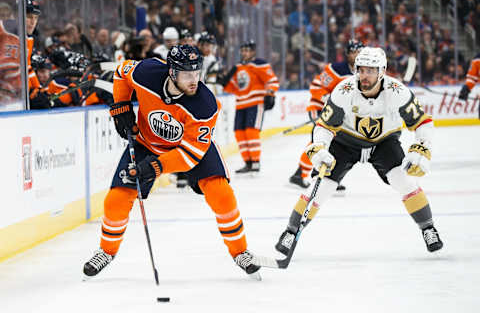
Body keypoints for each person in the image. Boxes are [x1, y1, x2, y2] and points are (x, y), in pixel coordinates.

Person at [83, 44, 261, 279]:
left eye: (197, 73)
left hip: (191, 149)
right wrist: (121, 105)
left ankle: (240, 253)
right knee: (116, 200)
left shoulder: (205, 105)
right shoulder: (147, 72)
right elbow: (121, 73)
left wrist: (156, 167)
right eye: (188, 74)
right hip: (147, 143)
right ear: (172, 72)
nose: (194, 80)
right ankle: (106, 252)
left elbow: (190, 155)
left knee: (222, 195)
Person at [275, 47, 443, 257]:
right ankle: (291, 232)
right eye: (361, 70)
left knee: (405, 182)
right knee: (320, 189)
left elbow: (423, 122)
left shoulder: (398, 91)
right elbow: (324, 126)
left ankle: (428, 229)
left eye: (371, 70)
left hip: (384, 143)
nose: (365, 75)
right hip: (346, 143)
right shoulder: (343, 90)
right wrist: (319, 147)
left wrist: (422, 147)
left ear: (381, 71)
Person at [289, 39, 364, 190]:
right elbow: (316, 87)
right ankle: (300, 174)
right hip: (321, 107)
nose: (357, 55)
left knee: (336, 144)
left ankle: (326, 177)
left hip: (339, 113)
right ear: (347, 54)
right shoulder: (335, 69)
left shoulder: (364, 72)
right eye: (354, 52)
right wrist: (329, 100)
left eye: (359, 52)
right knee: (319, 141)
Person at [219, 40, 279, 173]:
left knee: (251, 131)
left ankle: (255, 162)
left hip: (255, 102)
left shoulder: (259, 64)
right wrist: (224, 83)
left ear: (253, 52)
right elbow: (235, 88)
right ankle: (248, 162)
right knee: (239, 133)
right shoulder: (238, 67)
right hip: (241, 103)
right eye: (243, 50)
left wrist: (270, 94)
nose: (244, 53)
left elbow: (271, 80)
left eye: (247, 50)